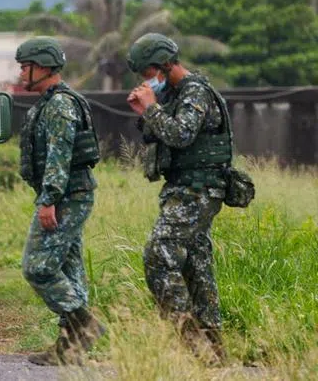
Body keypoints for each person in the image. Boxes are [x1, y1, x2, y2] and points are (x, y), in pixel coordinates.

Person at [126, 33, 231, 363]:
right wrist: (145, 112)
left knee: (158, 255)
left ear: (165, 65)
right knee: (197, 267)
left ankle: (192, 343)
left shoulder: (195, 92)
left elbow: (181, 135)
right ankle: (213, 351)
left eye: (148, 73)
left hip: (198, 190)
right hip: (184, 189)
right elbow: (160, 135)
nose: (146, 80)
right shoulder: (173, 93)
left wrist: (152, 108)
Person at [15, 37, 105, 366]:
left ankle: (86, 325)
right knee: (70, 269)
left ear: (43, 67)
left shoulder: (60, 106)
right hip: (67, 194)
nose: (22, 72)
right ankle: (70, 349)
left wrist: (49, 199)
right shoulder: (50, 101)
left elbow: (59, 157)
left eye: (26, 66)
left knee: (37, 267)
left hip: (67, 196)